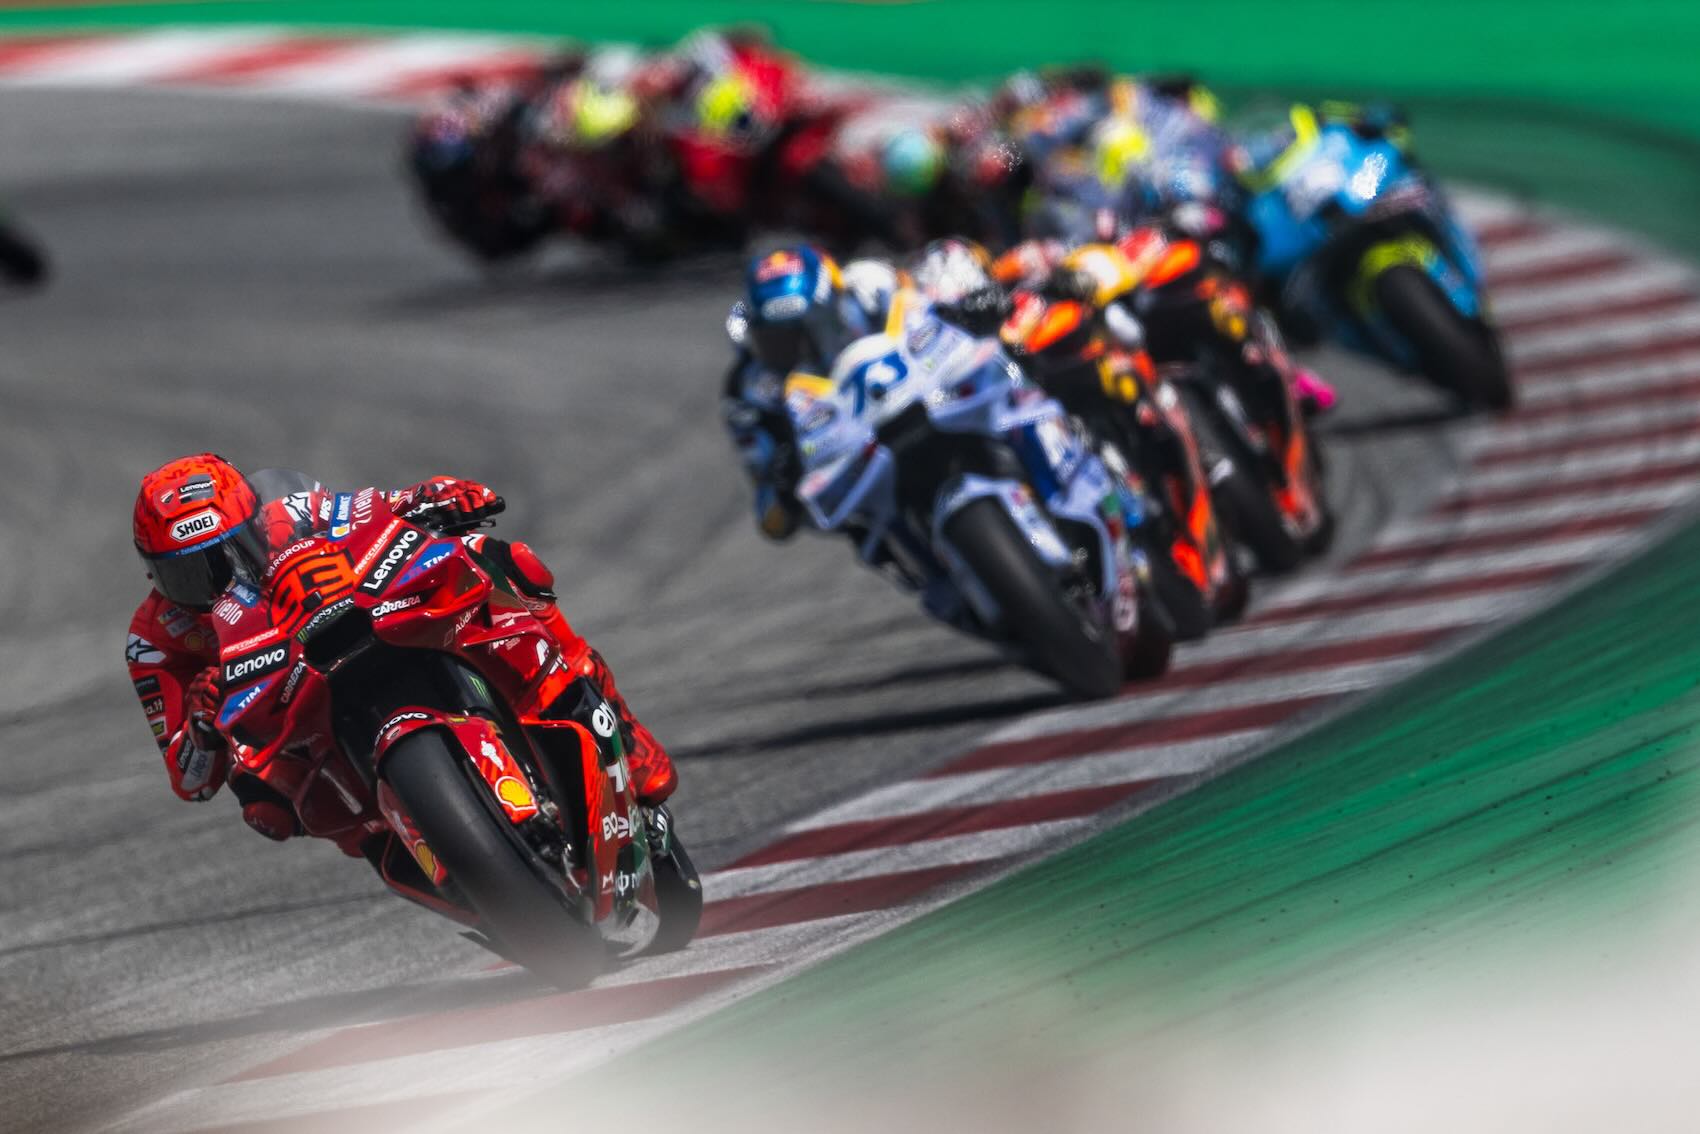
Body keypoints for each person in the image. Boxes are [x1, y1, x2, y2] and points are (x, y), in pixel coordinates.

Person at [126, 453, 676, 853]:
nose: (213, 583)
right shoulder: (154, 639)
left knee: (499, 561)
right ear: (153, 572)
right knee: (263, 803)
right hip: (281, 709)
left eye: (226, 556)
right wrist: (201, 727)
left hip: (354, 625)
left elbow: (372, 509)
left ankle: (619, 730)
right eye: (187, 574)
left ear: (253, 523)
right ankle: (394, 843)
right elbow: (189, 780)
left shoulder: (290, 512)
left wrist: (432, 496)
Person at [719, 244, 903, 539]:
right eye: (778, 343)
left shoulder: (875, 293)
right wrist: (785, 481)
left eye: (810, 333)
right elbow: (771, 520)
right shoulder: (751, 393)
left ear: (834, 307)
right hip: (864, 492)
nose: (799, 354)